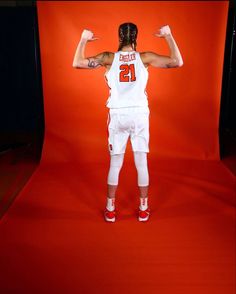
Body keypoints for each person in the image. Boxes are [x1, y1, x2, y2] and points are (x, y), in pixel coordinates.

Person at [72, 23, 183, 223]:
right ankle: (143, 209)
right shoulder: (144, 57)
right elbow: (177, 61)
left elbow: (77, 63)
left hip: (118, 115)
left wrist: (83, 39)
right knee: (142, 164)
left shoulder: (108, 58)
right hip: (139, 115)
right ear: (135, 37)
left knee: (115, 164)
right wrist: (168, 35)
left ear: (119, 36)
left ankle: (110, 209)